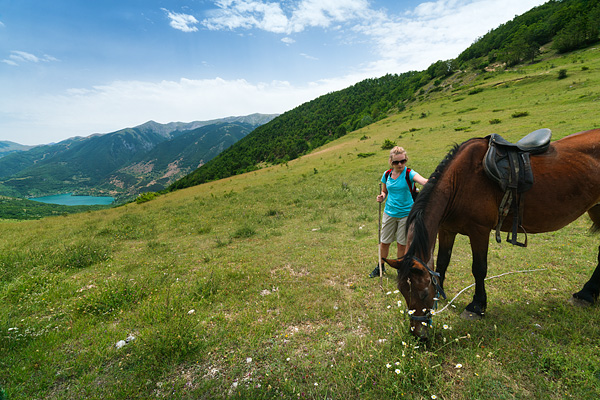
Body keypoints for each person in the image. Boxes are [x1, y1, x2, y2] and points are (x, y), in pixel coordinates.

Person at [369, 146, 428, 278]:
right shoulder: (387, 174)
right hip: (389, 213)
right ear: (391, 162)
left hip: (406, 214)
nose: (400, 164)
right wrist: (382, 196)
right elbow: (385, 191)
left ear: (406, 160)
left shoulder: (409, 174)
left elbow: (423, 181)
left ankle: (400, 269)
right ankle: (381, 266)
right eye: (396, 162)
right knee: (385, 242)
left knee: (402, 244)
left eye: (403, 161)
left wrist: (435, 181)